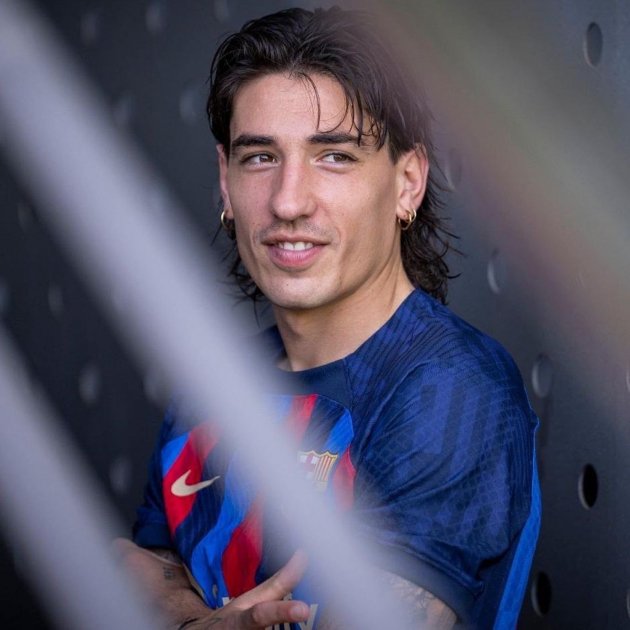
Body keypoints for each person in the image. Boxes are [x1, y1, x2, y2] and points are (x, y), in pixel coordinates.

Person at [117, 7, 540, 629]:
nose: (288, 201)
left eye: (334, 156)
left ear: (408, 183)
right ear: (225, 185)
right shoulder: (215, 384)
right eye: (260, 157)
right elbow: (143, 572)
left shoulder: (453, 389)